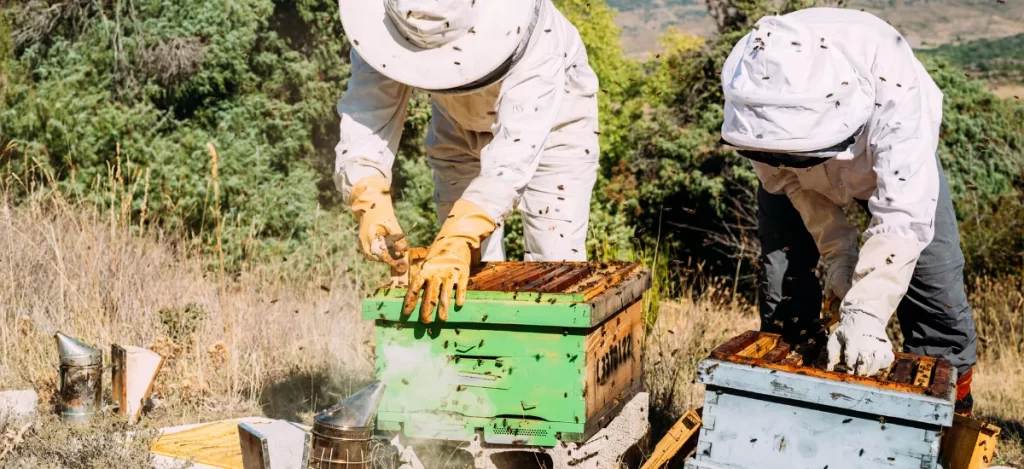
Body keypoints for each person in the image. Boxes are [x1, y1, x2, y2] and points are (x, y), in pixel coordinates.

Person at [719, 7, 977, 414]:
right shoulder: (755, 90)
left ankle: (947, 426)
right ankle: (785, 418)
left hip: (891, 172)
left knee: (937, 293)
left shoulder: (893, 85)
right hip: (797, 184)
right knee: (783, 293)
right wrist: (840, 258)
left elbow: (903, 214)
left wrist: (867, 310)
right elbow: (789, 182)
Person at [334, 0, 600, 324]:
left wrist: (461, 234)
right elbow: (367, 112)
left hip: (556, 121)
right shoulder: (386, 21)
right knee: (460, 269)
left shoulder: (534, 35)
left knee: (555, 263)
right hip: (455, 122)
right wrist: (368, 194)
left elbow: (513, 156)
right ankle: (473, 368)